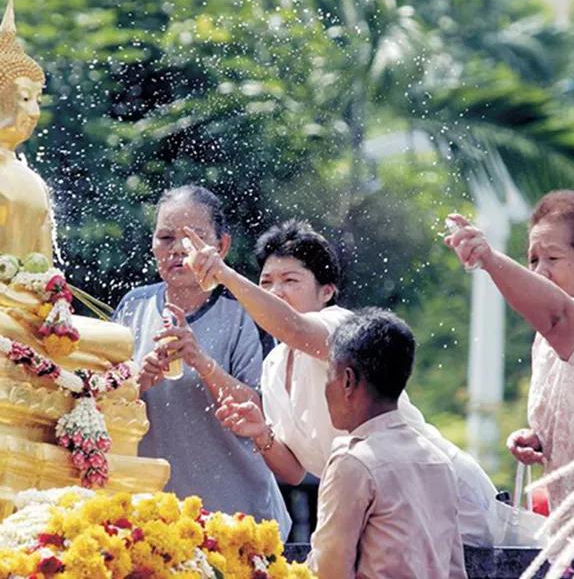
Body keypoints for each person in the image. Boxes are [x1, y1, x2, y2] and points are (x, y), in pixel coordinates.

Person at [187, 220, 501, 546]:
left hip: (438, 495)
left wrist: (223, 274)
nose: (275, 291)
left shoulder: (340, 326)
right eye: (266, 282)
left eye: (290, 280)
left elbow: (293, 327)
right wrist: (260, 433)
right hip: (376, 514)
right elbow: (294, 472)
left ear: (327, 292)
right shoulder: (274, 365)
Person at [444, 190, 574, 508]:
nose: (540, 270)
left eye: (553, 258)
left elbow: (559, 316)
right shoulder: (546, 339)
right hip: (572, 524)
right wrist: (537, 439)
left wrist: (489, 259)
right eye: (533, 259)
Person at [113, 185, 290, 537]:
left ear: (220, 246)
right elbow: (103, 400)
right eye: (165, 238)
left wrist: (200, 360)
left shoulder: (244, 313)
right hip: (154, 523)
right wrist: (140, 378)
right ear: (152, 246)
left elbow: (260, 411)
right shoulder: (133, 307)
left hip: (240, 523)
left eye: (193, 237)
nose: (178, 249)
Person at [307, 309, 467, 579]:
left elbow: (329, 571)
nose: (326, 388)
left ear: (347, 380)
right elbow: (454, 570)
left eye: (328, 376)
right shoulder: (438, 460)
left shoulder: (353, 463)